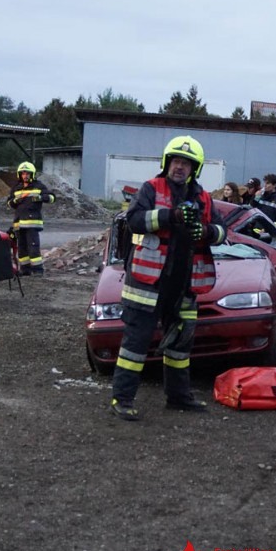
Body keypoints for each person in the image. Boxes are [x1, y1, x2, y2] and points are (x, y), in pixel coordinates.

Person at [109, 135, 227, 421]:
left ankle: (178, 397)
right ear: (167, 162)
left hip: (185, 284)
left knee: (180, 345)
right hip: (147, 284)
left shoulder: (203, 197)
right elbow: (133, 220)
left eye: (186, 163)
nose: (180, 167)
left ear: (195, 168)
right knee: (136, 344)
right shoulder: (151, 188)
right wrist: (170, 215)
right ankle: (122, 399)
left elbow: (223, 232)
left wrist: (207, 232)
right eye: (176, 161)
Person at [6, 161, 56, 276]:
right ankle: (25, 269)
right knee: (22, 248)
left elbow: (52, 197)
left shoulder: (38, 186)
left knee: (33, 246)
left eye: (27, 173)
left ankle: (37, 269)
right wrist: (15, 201)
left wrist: (40, 198)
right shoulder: (16, 188)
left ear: (32, 174)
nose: (25, 176)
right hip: (19, 223)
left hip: (32, 223)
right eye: (23, 173)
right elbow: (9, 203)